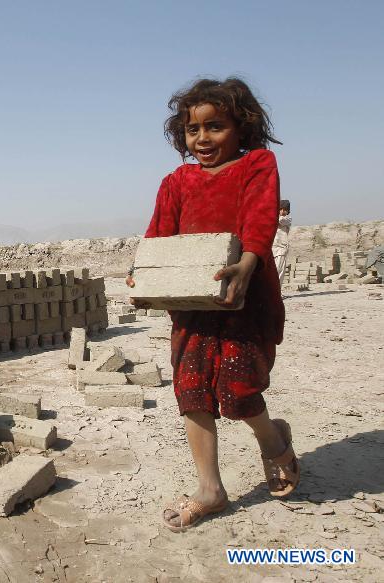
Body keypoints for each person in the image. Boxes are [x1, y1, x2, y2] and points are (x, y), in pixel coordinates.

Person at [126, 78, 299, 531]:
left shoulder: (257, 166)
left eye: (215, 127)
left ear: (242, 128)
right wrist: (144, 272)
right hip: (192, 302)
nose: (202, 139)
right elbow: (159, 232)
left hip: (245, 294)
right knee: (192, 391)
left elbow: (259, 219)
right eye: (192, 130)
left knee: (239, 390)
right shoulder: (176, 182)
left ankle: (272, 437)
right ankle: (210, 489)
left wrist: (245, 266)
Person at [273, 199, 292, 284]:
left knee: (279, 270)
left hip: (281, 248)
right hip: (272, 248)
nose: (282, 211)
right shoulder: (274, 217)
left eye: (284, 210)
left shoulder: (288, 219)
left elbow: (280, 220)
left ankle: (277, 291)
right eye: (280, 209)